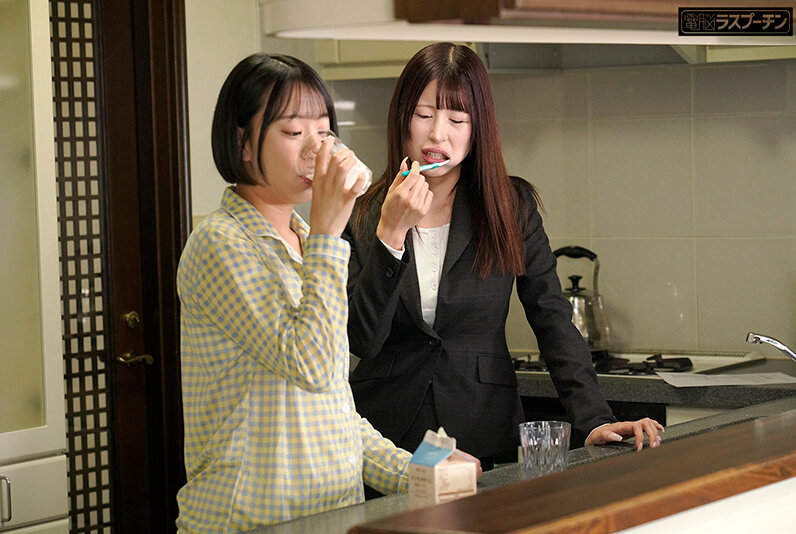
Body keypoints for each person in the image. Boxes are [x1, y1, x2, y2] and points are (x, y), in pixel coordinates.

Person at [344, 43, 663, 480]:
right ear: (402, 117)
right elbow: (361, 339)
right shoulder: (362, 211)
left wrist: (594, 419)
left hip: (481, 426)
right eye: (423, 115)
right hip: (386, 436)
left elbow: (551, 317)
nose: (438, 134)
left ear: (478, 127)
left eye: (457, 120)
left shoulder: (510, 206)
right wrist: (391, 234)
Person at [174, 53, 416, 532]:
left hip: (330, 515)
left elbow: (333, 406)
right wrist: (329, 231)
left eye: (324, 131)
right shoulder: (220, 243)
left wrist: (418, 472)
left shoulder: (306, 240)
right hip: (248, 521)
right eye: (292, 131)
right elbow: (311, 366)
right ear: (243, 143)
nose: (316, 150)